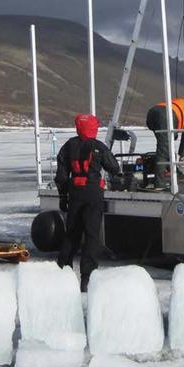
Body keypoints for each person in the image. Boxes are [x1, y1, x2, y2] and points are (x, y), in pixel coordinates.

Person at [55, 114, 121, 292]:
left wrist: (63, 196)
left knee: (72, 233)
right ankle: (87, 278)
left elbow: (61, 175)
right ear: (94, 128)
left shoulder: (69, 146)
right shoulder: (98, 147)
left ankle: (63, 272)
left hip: (75, 192)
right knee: (92, 235)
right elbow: (114, 167)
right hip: (93, 193)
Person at [145, 97, 184, 186]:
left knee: (166, 147)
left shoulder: (183, 104)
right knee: (163, 151)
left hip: (153, 113)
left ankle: (176, 172)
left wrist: (174, 135)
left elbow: (176, 119)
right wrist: (182, 154)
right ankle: (159, 183)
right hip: (165, 116)